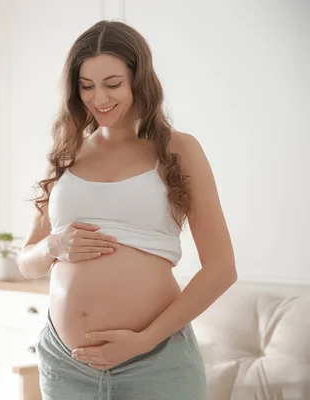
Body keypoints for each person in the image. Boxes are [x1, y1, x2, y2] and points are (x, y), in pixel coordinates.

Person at [17, 20, 237, 400]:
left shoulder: (178, 150)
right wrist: (53, 246)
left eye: (112, 84)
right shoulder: (67, 154)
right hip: (67, 364)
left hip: (154, 362)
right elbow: (27, 263)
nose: (98, 98)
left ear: (140, 80)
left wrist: (143, 340)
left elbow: (222, 269)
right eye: (86, 86)